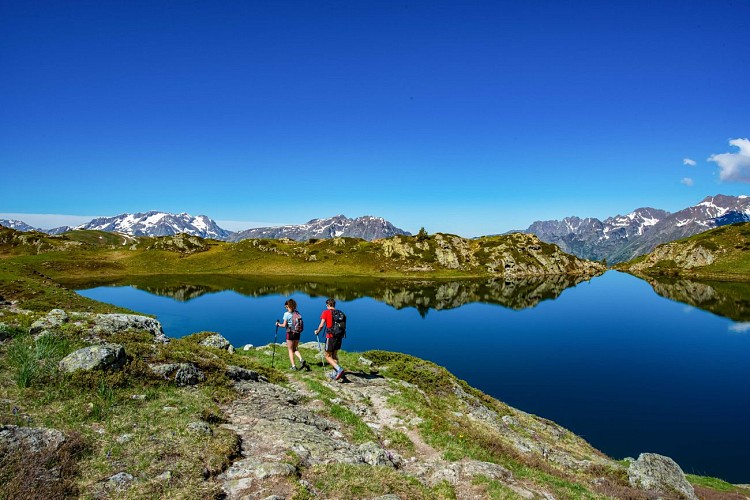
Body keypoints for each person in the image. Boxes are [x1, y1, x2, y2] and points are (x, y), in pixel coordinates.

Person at [314, 297, 345, 380]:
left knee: (327, 356)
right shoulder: (340, 313)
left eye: (326, 305)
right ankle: (336, 374)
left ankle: (339, 369)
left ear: (328, 305)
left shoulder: (326, 312)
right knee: (334, 355)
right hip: (339, 336)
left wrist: (317, 331)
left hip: (331, 336)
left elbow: (321, 325)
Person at [275, 298, 309, 371]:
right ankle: (301, 359)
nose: (286, 308)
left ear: (289, 306)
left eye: (286, 307)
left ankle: (293, 366)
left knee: (290, 350)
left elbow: (284, 325)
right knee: (295, 348)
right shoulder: (297, 313)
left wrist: (278, 324)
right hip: (297, 333)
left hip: (290, 333)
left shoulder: (286, 314)